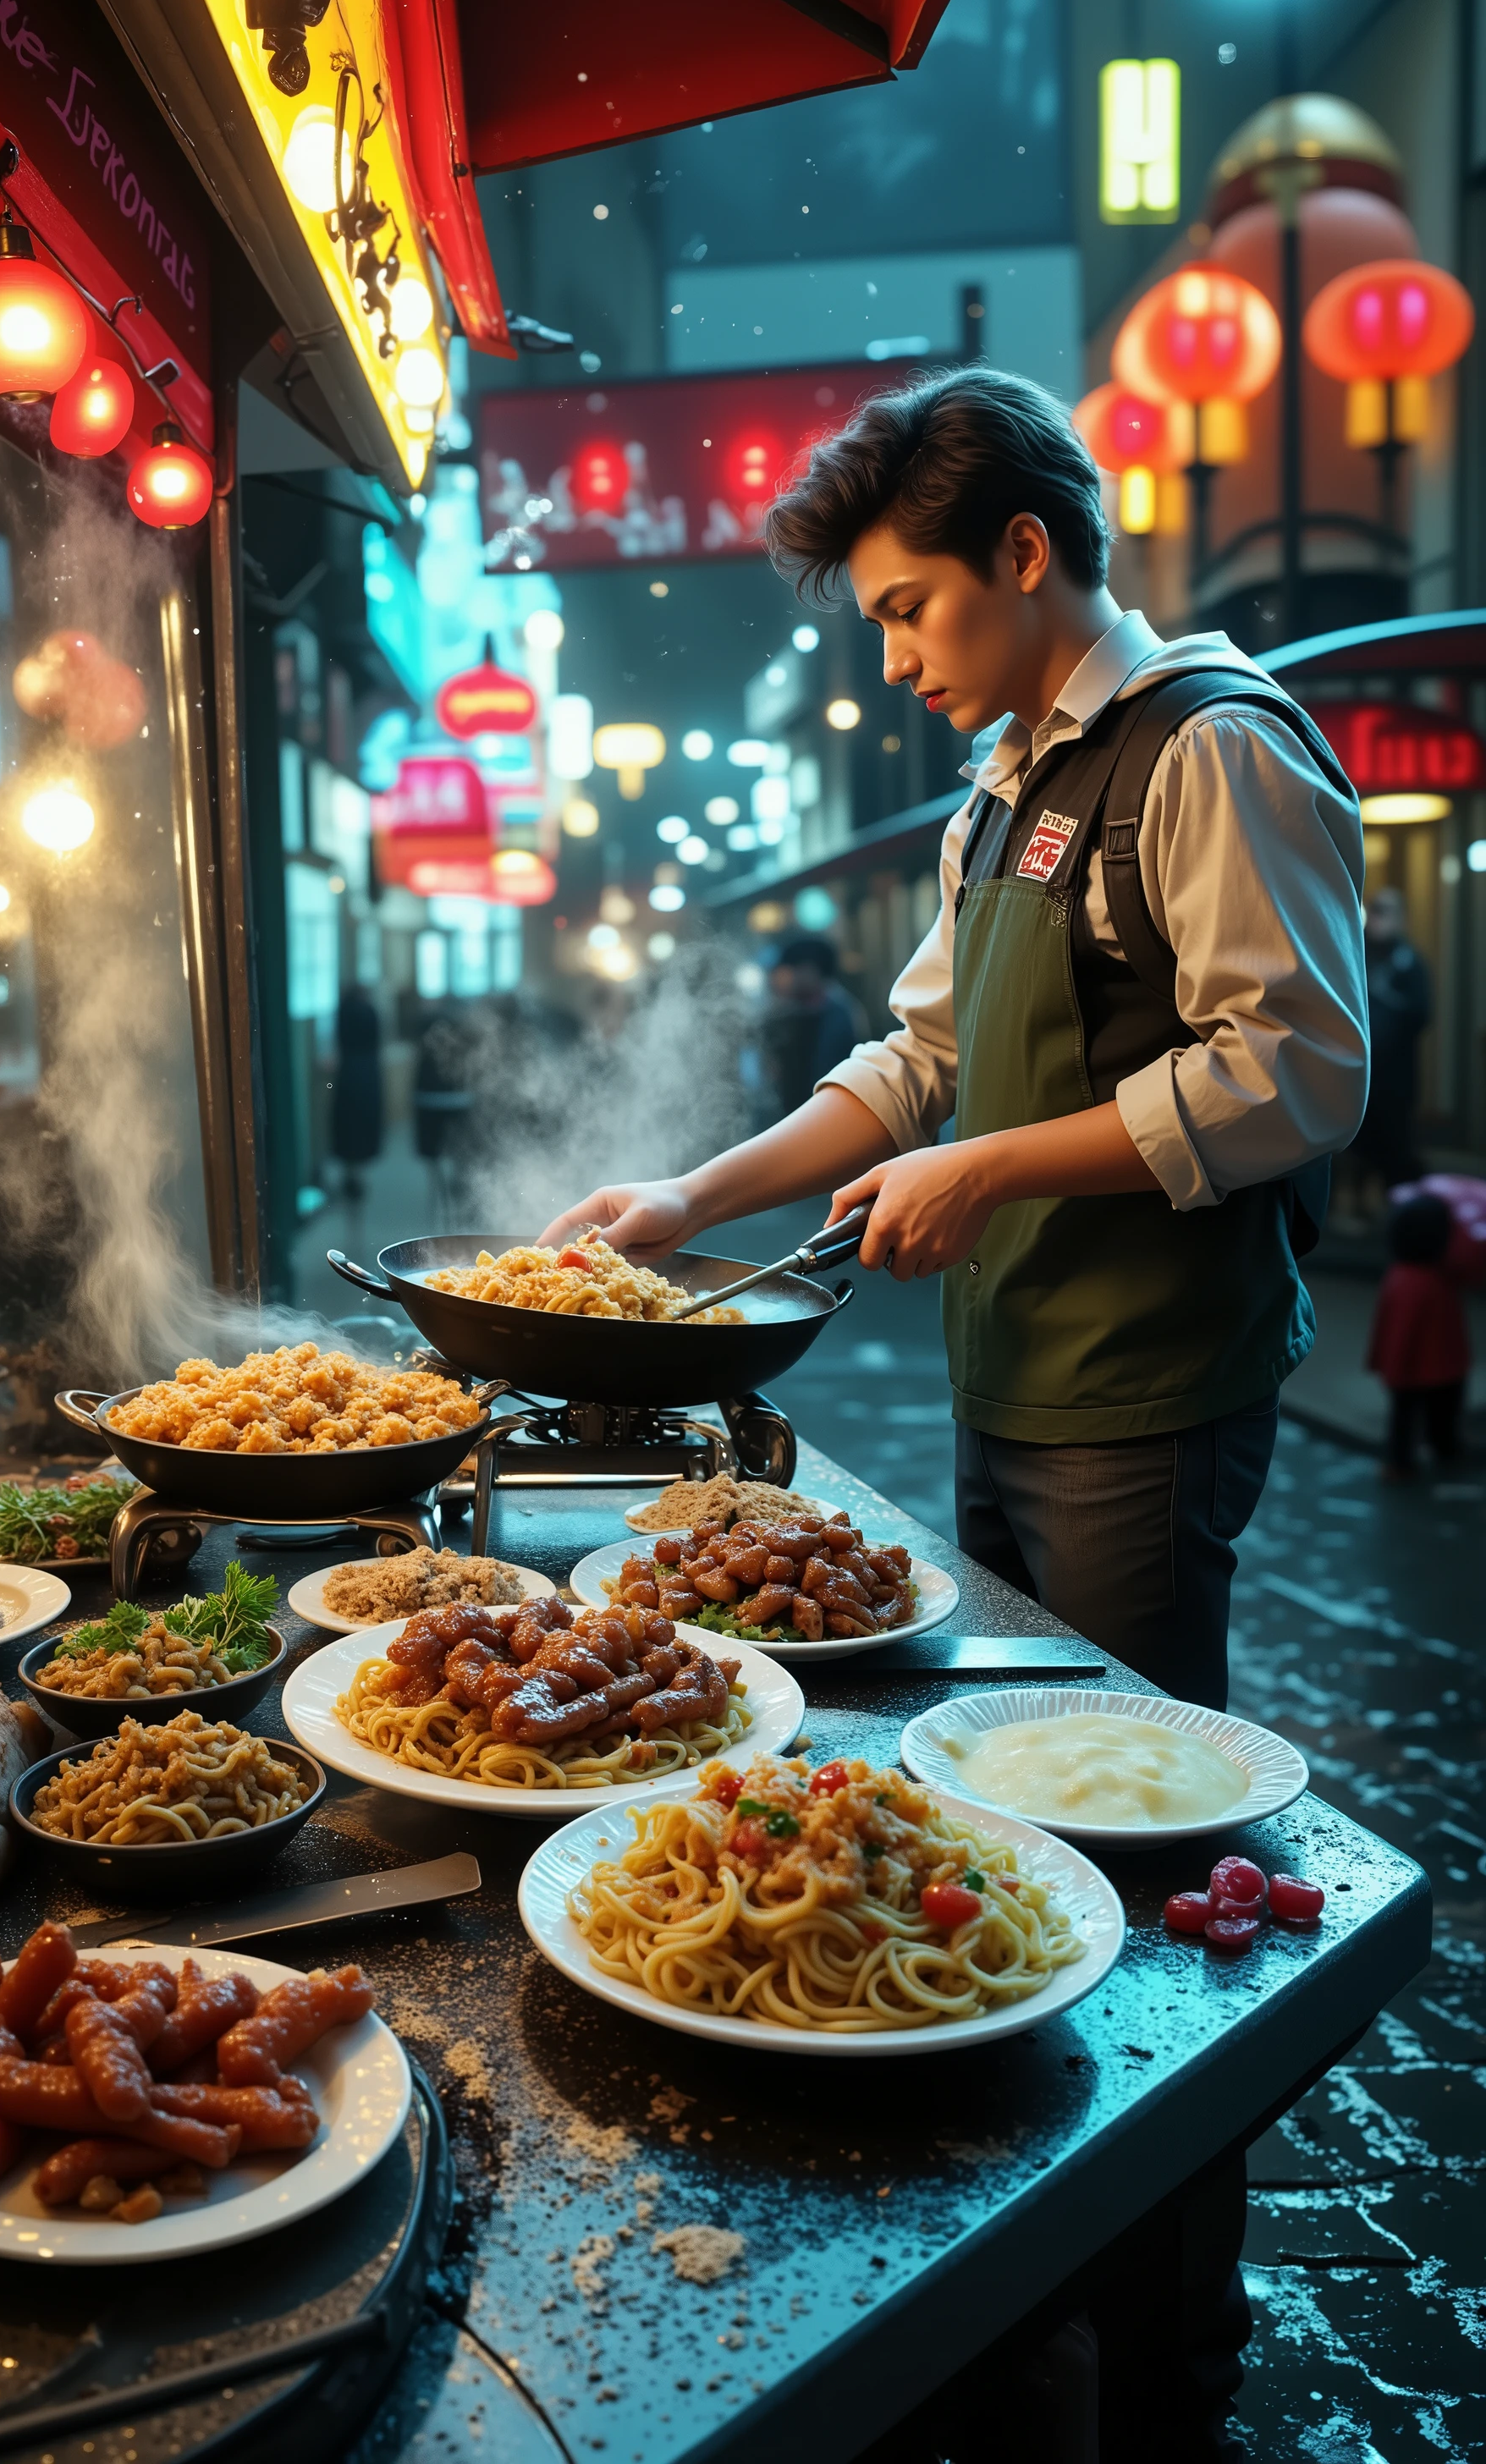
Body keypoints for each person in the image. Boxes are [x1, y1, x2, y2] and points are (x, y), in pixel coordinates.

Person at [542, 365, 1369, 2463]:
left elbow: (1298, 1067)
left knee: (1148, 1856)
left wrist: (995, 1167)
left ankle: (1170, 2349)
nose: (893, 659)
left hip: (1143, 1399)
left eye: (908, 610)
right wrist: (690, 1195)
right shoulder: (1000, 787)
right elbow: (914, 1067)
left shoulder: (1209, 744)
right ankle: (1046, 2306)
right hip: (1016, 1384)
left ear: (1023, 555)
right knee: (1018, 1829)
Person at [1368, 1188, 1470, 1479]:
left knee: (1403, 1417)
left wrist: (1391, 1366)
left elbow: (1392, 1329)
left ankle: (1401, 1463)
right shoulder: (1441, 1275)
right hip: (1445, 1365)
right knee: (1444, 1412)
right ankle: (1444, 1449)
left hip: (1408, 1368)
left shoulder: (1399, 1277)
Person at [1354, 888, 1431, 1196]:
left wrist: (1389, 997)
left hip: (1396, 1075)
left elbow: (1423, 1014)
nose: (1379, 919)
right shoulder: (1356, 954)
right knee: (1356, 1144)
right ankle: (1354, 1205)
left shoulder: (1410, 962)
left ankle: (1398, 1209)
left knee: (1395, 1142)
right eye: (1375, 910)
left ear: (1401, 918)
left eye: (1387, 911)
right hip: (1360, 1072)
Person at [758, 931, 869, 1119]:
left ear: (815, 970)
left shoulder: (841, 1012)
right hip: (791, 1115)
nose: (792, 978)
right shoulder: (781, 1015)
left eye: (798, 970)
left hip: (833, 1112)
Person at [329, 982, 383, 1199]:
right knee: (363, 1123)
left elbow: (338, 1041)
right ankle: (358, 1174)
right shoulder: (370, 1011)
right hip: (368, 1074)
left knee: (347, 1124)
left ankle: (351, 1174)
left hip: (347, 1073)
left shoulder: (343, 1011)